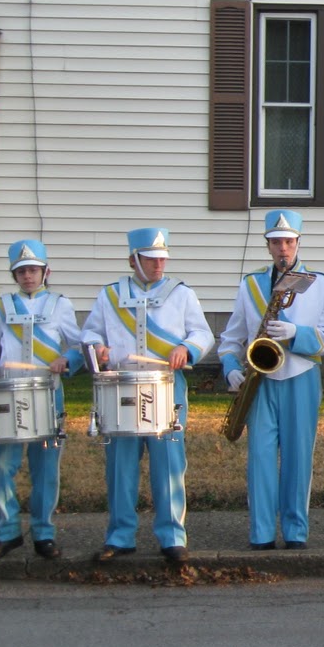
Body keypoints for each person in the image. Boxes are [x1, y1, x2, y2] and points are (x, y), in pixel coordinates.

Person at [83, 227, 214, 563]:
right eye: (151, 259)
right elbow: (90, 332)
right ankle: (120, 535)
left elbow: (202, 333)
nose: (159, 265)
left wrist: (187, 348)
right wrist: (96, 347)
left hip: (167, 388)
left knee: (169, 464)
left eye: (162, 259)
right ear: (133, 260)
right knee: (120, 466)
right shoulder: (110, 295)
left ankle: (172, 536)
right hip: (121, 388)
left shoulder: (181, 294)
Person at [218, 210, 324, 550]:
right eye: (276, 242)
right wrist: (230, 368)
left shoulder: (320, 283)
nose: (283, 249)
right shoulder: (251, 284)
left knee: (299, 458)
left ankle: (296, 532)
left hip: (301, 374)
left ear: (298, 242)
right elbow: (232, 338)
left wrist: (297, 333)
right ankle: (261, 533)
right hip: (260, 380)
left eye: (288, 242)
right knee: (260, 457)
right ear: (267, 245)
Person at [0, 240, 83, 563]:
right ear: (14, 275)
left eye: (33, 270)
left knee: (45, 469)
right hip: (9, 394)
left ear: (45, 271)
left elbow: (77, 345)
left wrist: (66, 359)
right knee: (1, 467)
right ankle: (8, 530)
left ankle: (43, 533)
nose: (27, 276)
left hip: (48, 392)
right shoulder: (1, 307)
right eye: (21, 271)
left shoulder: (60, 304)